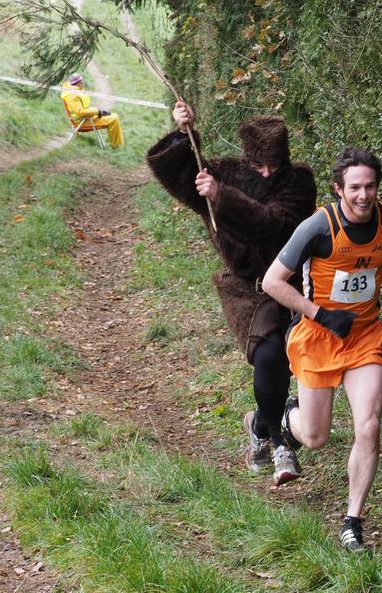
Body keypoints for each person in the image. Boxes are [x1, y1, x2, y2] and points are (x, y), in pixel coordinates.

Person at [146, 100, 317, 485]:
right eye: (259, 165)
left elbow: (271, 225)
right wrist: (183, 133)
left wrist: (221, 196)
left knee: (284, 362)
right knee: (268, 355)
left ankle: (258, 425)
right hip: (245, 289)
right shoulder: (226, 173)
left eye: (274, 164)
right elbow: (179, 173)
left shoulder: (298, 184)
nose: (267, 172)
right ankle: (280, 445)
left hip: (287, 284)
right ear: (247, 158)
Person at [262, 145, 382, 550]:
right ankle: (286, 418)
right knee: (315, 438)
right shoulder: (317, 228)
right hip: (318, 337)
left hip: (364, 336)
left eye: (370, 186)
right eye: (355, 188)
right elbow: (272, 281)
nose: (364, 195)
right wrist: (321, 314)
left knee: (369, 425)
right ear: (338, 189)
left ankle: (352, 522)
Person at [61, 73, 124, 147]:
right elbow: (80, 112)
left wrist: (98, 111)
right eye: (81, 81)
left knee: (114, 115)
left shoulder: (75, 91)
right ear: (76, 83)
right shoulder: (72, 95)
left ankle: (116, 144)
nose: (83, 83)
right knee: (114, 119)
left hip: (86, 118)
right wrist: (98, 111)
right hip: (82, 122)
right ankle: (116, 146)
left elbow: (83, 108)